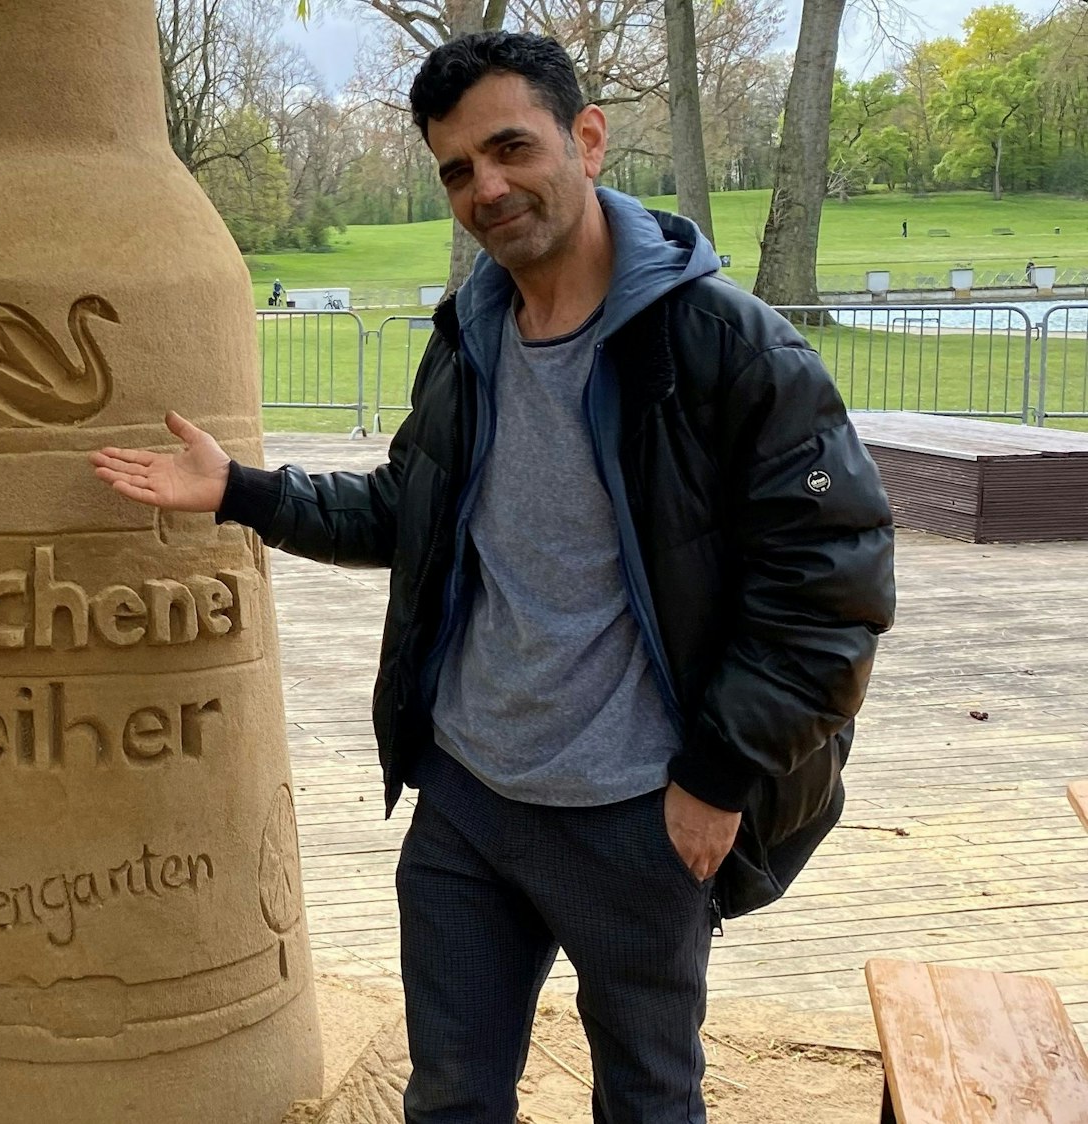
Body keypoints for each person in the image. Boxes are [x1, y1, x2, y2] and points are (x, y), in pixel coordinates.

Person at [91, 31, 894, 1123]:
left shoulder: (726, 348)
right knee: (450, 1097)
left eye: (511, 147)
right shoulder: (469, 336)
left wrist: (717, 772)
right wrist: (239, 489)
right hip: (467, 800)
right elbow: (403, 511)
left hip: (636, 812)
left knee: (648, 1100)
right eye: (458, 169)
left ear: (590, 138)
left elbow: (832, 588)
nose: (488, 186)